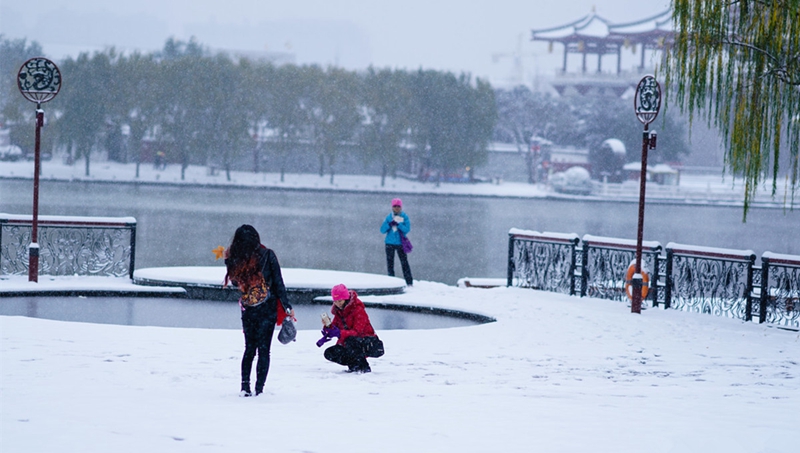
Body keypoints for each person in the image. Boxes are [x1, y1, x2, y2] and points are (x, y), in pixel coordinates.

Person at [223, 224, 293, 397]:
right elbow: (278, 282)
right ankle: (259, 389)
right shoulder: (268, 255)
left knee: (249, 349)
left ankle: (245, 387)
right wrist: (287, 306)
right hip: (268, 309)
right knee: (264, 350)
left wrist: (228, 260)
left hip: (249, 309)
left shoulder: (236, 259)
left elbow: (234, 283)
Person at [317, 284, 384, 373]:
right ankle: (354, 365)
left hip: (369, 343)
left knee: (351, 340)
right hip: (350, 344)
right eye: (335, 301)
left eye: (340, 301)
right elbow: (334, 328)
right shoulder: (339, 312)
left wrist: (340, 333)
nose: (338, 304)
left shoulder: (358, 310)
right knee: (330, 353)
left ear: (346, 298)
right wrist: (327, 327)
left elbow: (357, 332)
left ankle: (363, 366)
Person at [380, 197, 413, 286]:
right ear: (392, 207)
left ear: (401, 207)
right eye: (395, 206)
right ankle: (391, 281)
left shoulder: (404, 217)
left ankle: (409, 282)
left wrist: (399, 225)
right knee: (390, 264)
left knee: (404, 263)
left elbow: (407, 229)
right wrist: (389, 224)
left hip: (400, 243)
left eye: (398, 206)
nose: (396, 208)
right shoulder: (389, 217)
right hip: (389, 243)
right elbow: (382, 230)